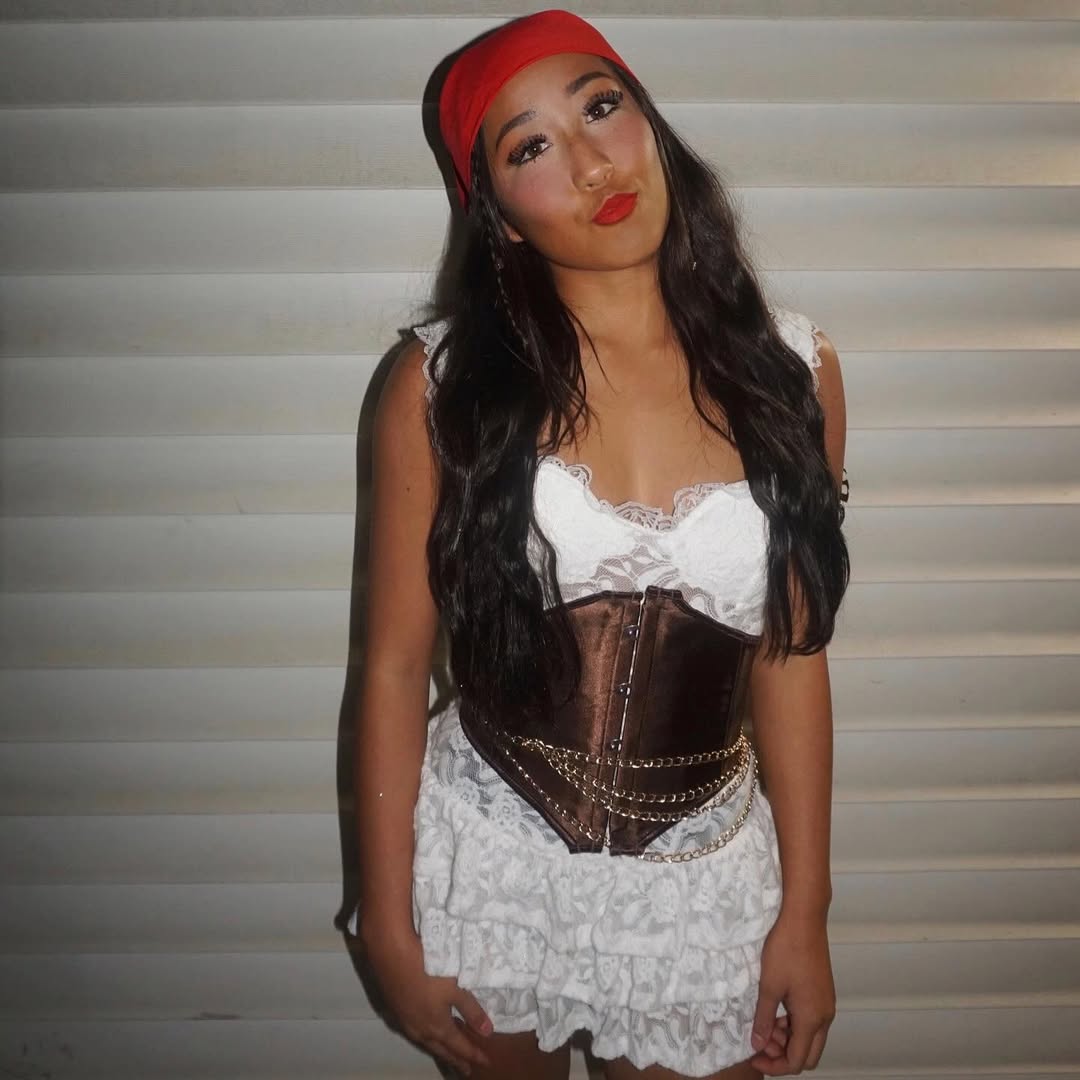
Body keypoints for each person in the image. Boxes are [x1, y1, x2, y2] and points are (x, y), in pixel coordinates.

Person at [351, 10, 850, 1079]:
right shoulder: (438, 387)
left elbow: (793, 656)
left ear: (651, 122)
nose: (590, 164)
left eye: (601, 106)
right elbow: (392, 666)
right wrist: (387, 924)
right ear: (499, 218)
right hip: (492, 860)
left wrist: (805, 911)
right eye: (530, 146)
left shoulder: (794, 373)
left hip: (699, 879)